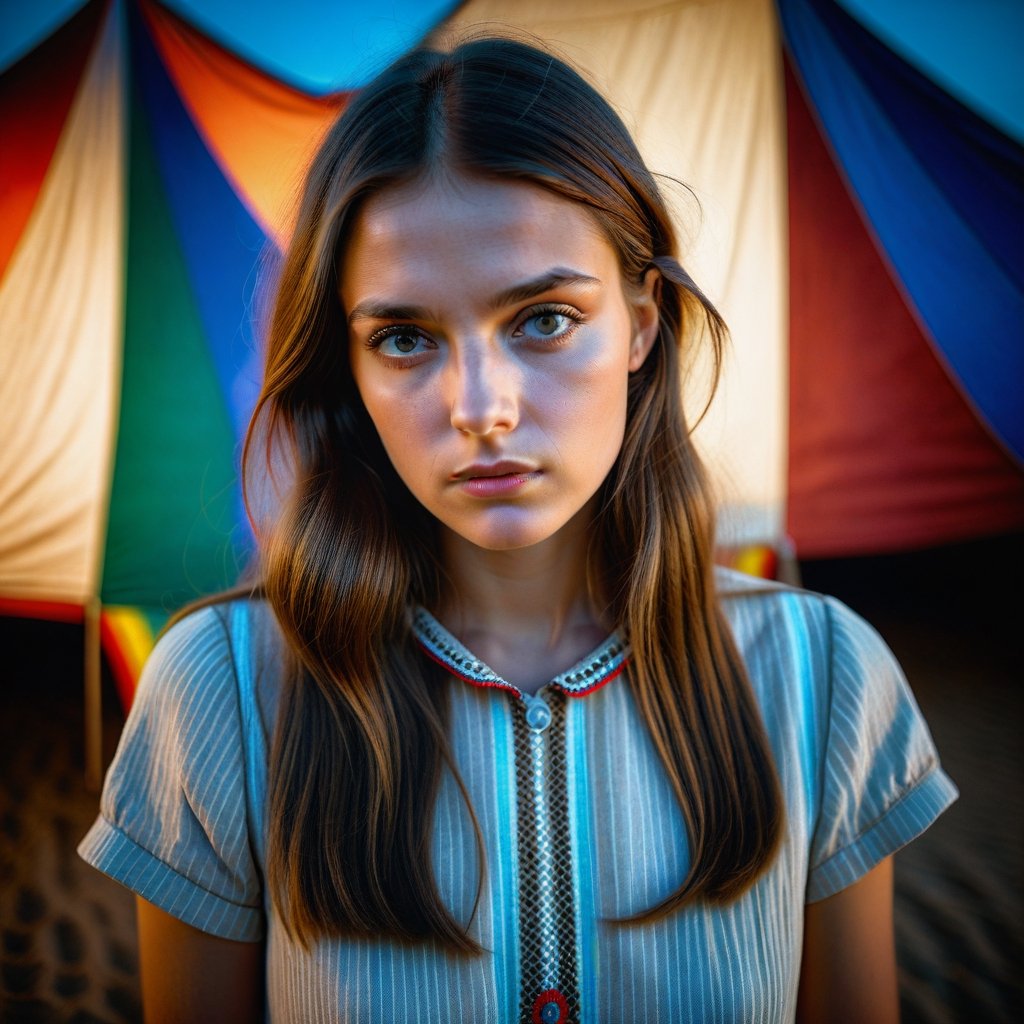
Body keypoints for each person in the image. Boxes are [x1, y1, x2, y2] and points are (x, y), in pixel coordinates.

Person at [79, 35, 957, 1024]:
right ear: (349, 369)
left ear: (640, 319)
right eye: (405, 339)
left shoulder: (821, 675)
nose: (480, 406)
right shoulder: (223, 692)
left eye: (542, 318)